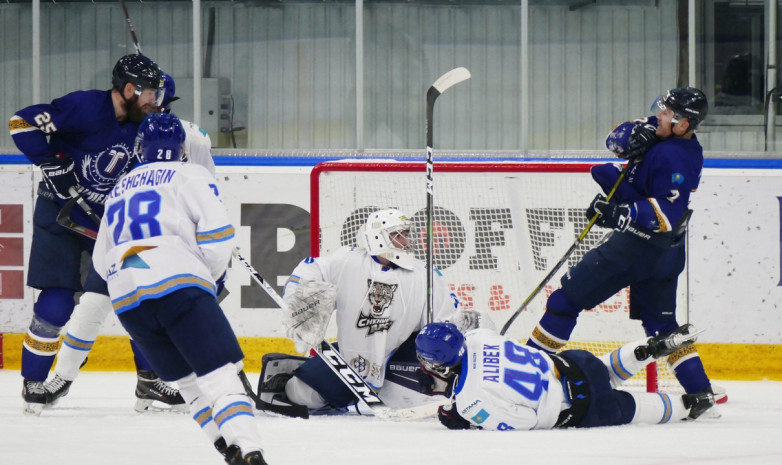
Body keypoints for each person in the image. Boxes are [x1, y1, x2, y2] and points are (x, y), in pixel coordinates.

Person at [525, 86, 721, 411]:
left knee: (564, 301)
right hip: (667, 253)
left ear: (684, 124)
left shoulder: (677, 157)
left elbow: (667, 214)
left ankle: (526, 374)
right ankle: (701, 395)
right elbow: (615, 140)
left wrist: (620, 212)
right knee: (662, 325)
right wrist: (633, 136)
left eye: (668, 113)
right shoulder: (665, 133)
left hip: (639, 247)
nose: (660, 115)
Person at [9, 54, 184, 414]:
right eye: (151, 93)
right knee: (56, 304)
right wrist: (50, 161)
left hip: (112, 224)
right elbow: (20, 122)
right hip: (61, 215)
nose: (157, 101)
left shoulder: (149, 122)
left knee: (141, 298)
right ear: (130, 89)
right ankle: (34, 383)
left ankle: (150, 380)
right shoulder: (85, 106)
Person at [92, 112, 267, 465]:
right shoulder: (191, 173)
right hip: (178, 284)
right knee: (219, 374)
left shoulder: (117, 189)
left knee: (187, 383)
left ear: (140, 149)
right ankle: (250, 450)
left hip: (127, 299)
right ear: (182, 148)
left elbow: (100, 261)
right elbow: (218, 238)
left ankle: (224, 446)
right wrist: (208, 281)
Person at [42, 73, 215, 412]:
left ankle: (155, 381)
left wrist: (204, 232)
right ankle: (61, 377)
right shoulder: (122, 128)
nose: (149, 103)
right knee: (92, 305)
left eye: (155, 97)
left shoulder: (192, 138)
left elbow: (206, 188)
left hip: (164, 246)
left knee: (154, 312)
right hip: (123, 237)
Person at [262, 208, 489, 413]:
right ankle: (316, 379)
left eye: (405, 234)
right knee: (298, 393)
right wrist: (302, 307)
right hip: (351, 355)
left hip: (397, 357)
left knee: (427, 398)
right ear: (377, 237)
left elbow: (444, 320)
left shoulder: (424, 274)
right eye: (396, 235)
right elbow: (311, 268)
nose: (404, 241)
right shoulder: (347, 261)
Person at [415, 322, 716, 431]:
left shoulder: (471, 401)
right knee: (605, 369)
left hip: (580, 406)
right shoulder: (479, 336)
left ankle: (691, 405)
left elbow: (526, 422)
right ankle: (649, 348)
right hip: (575, 362)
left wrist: (465, 416)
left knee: (631, 408)